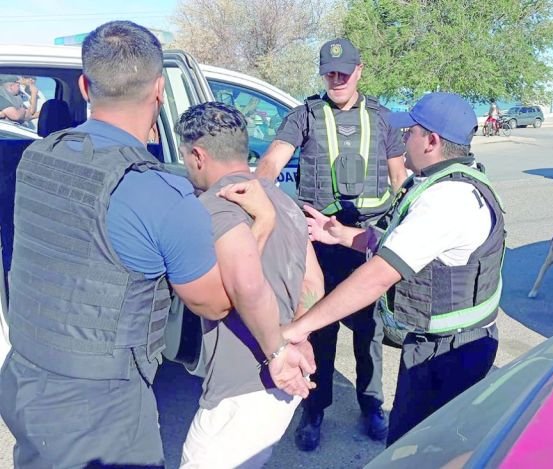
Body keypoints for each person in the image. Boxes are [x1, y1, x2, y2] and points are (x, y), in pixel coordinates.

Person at [0, 21, 311, 468]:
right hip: (97, 409)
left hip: (25, 375)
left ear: (85, 86)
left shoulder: (36, 157)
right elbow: (215, 303)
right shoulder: (158, 193)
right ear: (161, 90)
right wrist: (261, 223)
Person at [276, 92, 506, 446]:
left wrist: (298, 328)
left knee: (413, 448)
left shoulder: (446, 200)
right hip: (455, 344)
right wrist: (343, 235)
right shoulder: (458, 181)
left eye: (410, 132)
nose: (402, 139)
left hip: (446, 355)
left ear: (431, 141)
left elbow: (376, 278)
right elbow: (413, 246)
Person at [254, 37, 407, 451]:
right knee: (319, 328)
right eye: (329, 73)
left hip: (364, 240)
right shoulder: (304, 116)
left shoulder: (383, 119)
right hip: (318, 242)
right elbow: (272, 161)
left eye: (344, 72)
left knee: (369, 331)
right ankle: (315, 410)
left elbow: (399, 179)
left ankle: (371, 404)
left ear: (360, 70)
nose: (336, 79)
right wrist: (254, 197)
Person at [175, 102, 324, 468]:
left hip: (245, 385)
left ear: (198, 155)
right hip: (284, 374)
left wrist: (277, 352)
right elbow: (313, 281)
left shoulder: (214, 207)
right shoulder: (285, 203)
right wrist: (297, 337)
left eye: (185, 156)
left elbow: (241, 288)